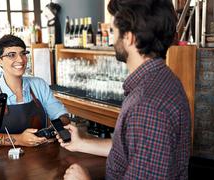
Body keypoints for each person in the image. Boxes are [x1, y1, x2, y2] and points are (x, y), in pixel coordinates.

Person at [58, 0, 191, 179]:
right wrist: (83, 143)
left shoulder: (146, 107)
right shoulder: (163, 79)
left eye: (113, 31)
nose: (112, 39)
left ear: (129, 37)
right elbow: (133, 148)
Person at [0, 34, 69, 147]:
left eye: (23, 53)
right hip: (4, 160)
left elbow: (62, 117)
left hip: (41, 157)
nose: (20, 60)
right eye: (11, 55)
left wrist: (51, 132)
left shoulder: (39, 85)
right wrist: (19, 140)